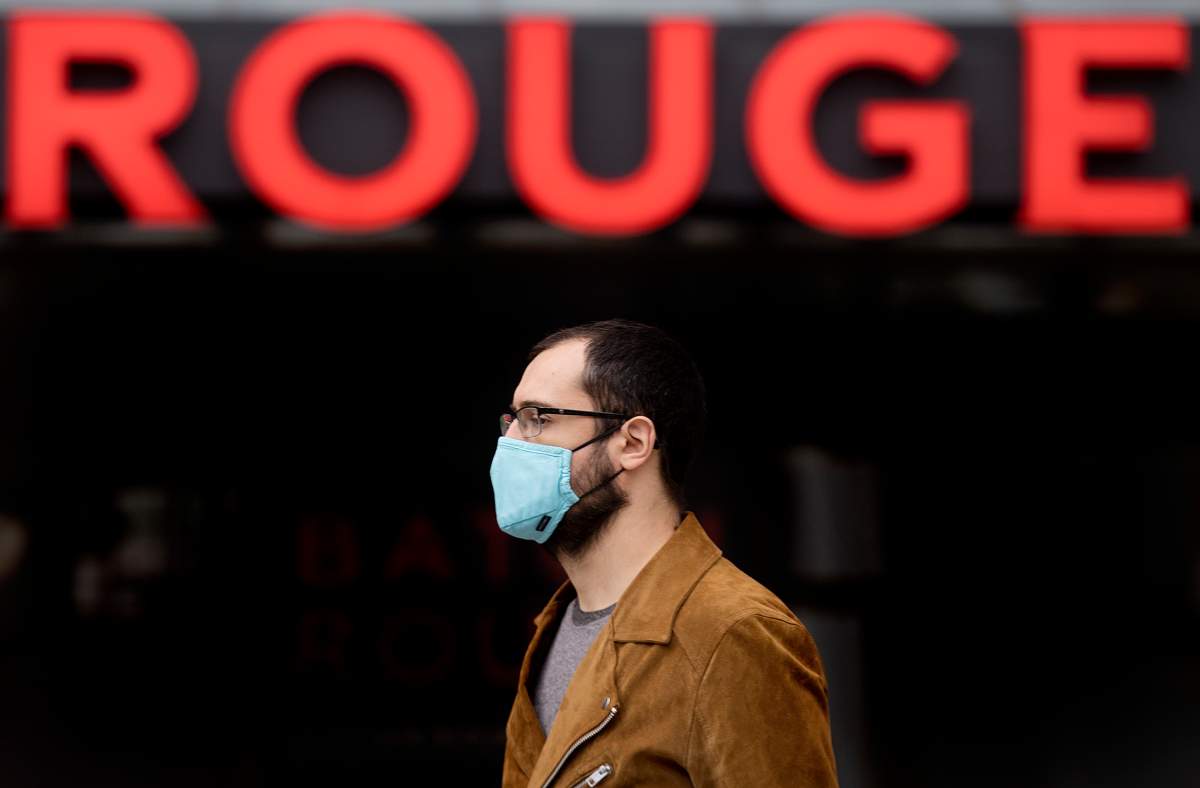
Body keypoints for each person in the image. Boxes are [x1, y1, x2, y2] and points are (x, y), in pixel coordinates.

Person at [490, 319, 838, 788]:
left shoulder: (733, 632)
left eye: (539, 418)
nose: (512, 443)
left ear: (632, 443)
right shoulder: (556, 629)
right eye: (512, 420)